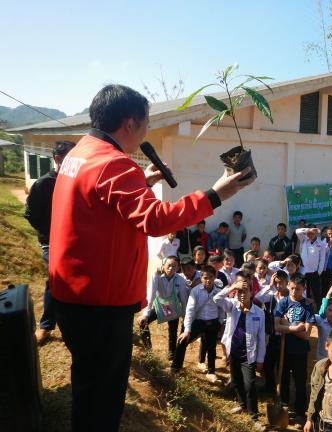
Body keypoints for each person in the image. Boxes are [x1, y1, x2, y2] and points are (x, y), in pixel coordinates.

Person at [48, 84, 251, 432]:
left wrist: (139, 180)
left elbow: (98, 199)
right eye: (145, 124)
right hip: (100, 305)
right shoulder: (114, 165)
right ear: (129, 124)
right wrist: (215, 195)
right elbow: (155, 220)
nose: (146, 132)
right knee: (104, 399)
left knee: (87, 384)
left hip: (72, 294)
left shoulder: (81, 153)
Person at [24, 139, 76, 345]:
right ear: (57, 159)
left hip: (74, 242)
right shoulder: (44, 184)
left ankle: (71, 322)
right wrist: (52, 232)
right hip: (51, 242)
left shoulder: (77, 182)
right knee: (55, 280)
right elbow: (30, 214)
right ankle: (46, 325)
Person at [213, 272, 266, 429]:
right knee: (235, 382)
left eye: (246, 292)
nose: (242, 295)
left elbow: (262, 338)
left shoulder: (259, 313)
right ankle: (242, 404)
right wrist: (233, 287)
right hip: (233, 352)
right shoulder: (232, 306)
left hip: (248, 355)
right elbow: (217, 299)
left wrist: (261, 359)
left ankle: (254, 417)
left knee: (250, 385)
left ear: (251, 293)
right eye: (240, 292)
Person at [274, 274, 315, 423]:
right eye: (291, 288)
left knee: (300, 381)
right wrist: (295, 328)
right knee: (283, 379)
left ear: (303, 289)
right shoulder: (283, 303)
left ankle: (300, 411)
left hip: (300, 351)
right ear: (288, 286)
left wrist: (287, 326)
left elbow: (306, 335)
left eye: (298, 289)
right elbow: (276, 326)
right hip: (284, 350)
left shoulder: (307, 306)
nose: (294, 292)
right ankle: (283, 407)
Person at [171, 265, 224, 382]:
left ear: (215, 277)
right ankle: (175, 368)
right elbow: (189, 310)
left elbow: (222, 309)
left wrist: (219, 323)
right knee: (182, 342)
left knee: (211, 348)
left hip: (212, 323)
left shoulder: (219, 292)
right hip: (198, 322)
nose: (208, 280)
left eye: (211, 277)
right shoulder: (195, 291)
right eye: (205, 277)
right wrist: (187, 330)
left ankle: (211, 372)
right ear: (201, 278)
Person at [138, 256, 189, 360]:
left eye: (174, 266)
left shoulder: (180, 280)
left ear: (178, 268)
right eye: (169, 265)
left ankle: (171, 356)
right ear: (163, 266)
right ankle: (148, 350)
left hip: (173, 306)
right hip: (159, 306)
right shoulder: (156, 276)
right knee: (143, 323)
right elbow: (151, 295)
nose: (171, 268)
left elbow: (183, 299)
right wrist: (145, 314)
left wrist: (185, 316)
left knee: (173, 331)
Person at [296, 226, 326, 309]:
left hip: (314, 272)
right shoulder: (304, 240)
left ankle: (320, 309)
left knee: (316, 293)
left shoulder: (321, 243)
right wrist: (308, 230)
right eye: (308, 233)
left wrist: (319, 272)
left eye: (312, 233)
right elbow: (297, 231)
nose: (310, 235)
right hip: (303, 272)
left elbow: (322, 259)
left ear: (316, 233)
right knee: (305, 292)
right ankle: (306, 309)